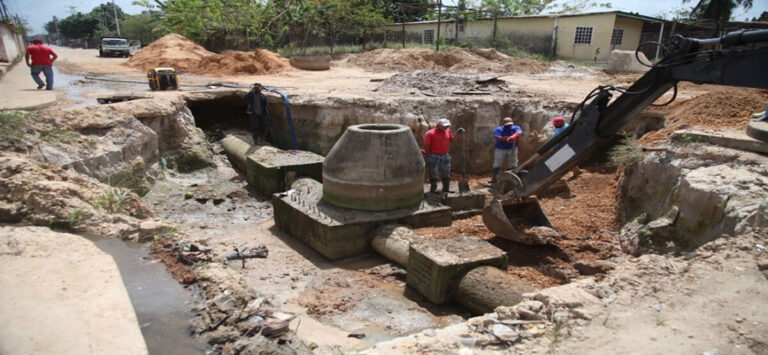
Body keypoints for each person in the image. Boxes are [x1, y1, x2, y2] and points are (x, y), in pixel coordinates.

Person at [424, 118, 465, 193]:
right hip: (434, 155)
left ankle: (446, 189)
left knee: (446, 172)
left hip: (445, 155)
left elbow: (451, 140)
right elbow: (427, 146)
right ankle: (433, 189)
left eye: (447, 126)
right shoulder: (430, 133)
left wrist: (458, 134)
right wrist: (429, 156)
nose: (446, 127)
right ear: (438, 125)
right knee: (433, 173)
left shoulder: (447, 131)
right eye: (445, 126)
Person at [490, 117, 522, 183]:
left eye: (510, 124)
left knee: (513, 163)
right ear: (503, 124)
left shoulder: (516, 128)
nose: (509, 126)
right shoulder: (499, 129)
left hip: (512, 148)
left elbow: (519, 132)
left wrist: (514, 136)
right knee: (497, 163)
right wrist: (507, 138)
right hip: (501, 148)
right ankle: (494, 178)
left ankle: (513, 179)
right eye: (507, 124)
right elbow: (498, 137)